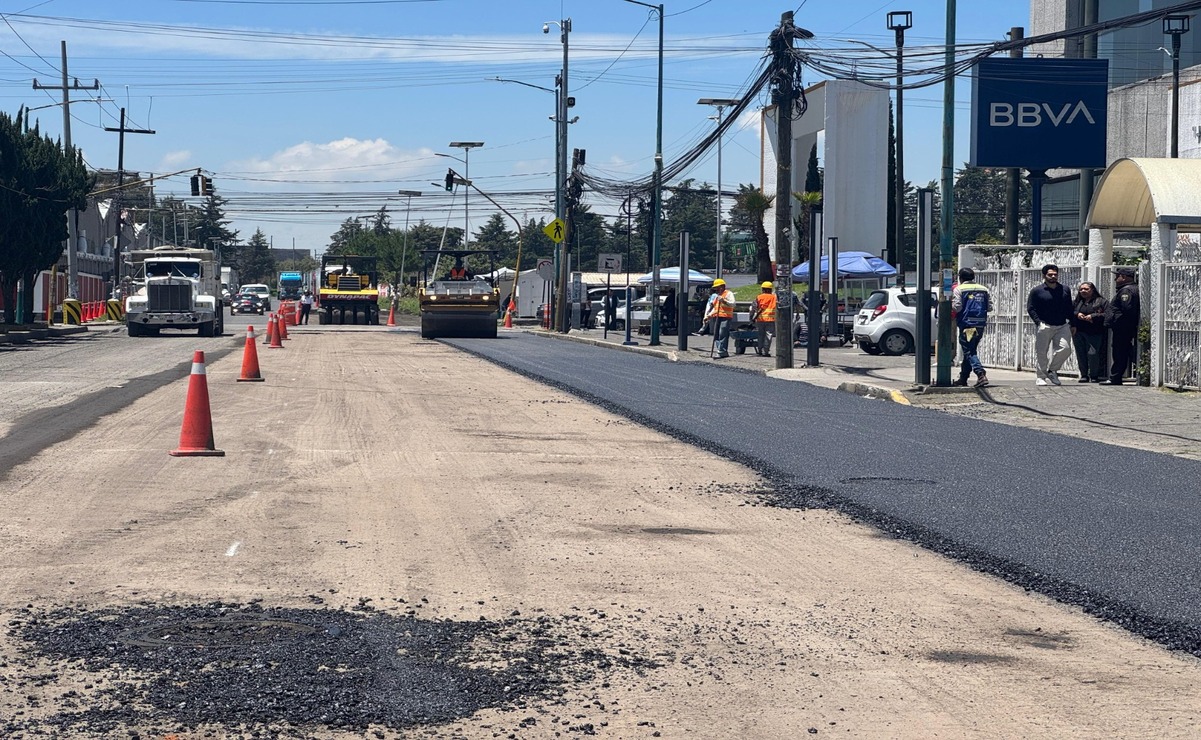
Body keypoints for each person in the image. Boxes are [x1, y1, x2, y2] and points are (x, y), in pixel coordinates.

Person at [1026, 263, 1074, 386]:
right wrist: (1038, 322)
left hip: (1062, 325)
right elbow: (1031, 308)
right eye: (1050, 275)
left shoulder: (1065, 289)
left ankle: (1052, 371)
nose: (1053, 277)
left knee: (1066, 349)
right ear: (1044, 276)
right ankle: (1041, 376)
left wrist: (1072, 323)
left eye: (1055, 274)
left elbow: (1069, 307)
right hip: (1045, 325)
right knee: (1042, 352)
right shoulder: (1037, 291)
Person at [950, 268, 992, 388]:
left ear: (960, 278)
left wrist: (948, 306)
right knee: (970, 350)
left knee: (969, 351)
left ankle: (980, 374)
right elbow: (990, 307)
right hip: (980, 324)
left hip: (967, 325)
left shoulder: (959, 289)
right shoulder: (983, 289)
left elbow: (957, 307)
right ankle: (963, 378)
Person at [1103, 266, 1141, 386]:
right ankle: (1116, 376)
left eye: (1117, 276)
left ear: (1124, 277)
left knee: (1120, 352)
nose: (1115, 279)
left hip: (1123, 327)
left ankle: (1115, 377)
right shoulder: (1129, 289)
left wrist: (1118, 320)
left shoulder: (1126, 291)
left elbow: (1127, 309)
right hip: (1124, 327)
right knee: (1122, 351)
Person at [1070, 282, 1108, 383]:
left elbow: (1108, 314)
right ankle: (1084, 375)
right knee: (1081, 353)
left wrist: (1093, 316)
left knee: (1093, 353)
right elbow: (1069, 312)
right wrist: (1077, 314)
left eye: (1086, 289)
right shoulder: (1077, 302)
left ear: (1092, 290)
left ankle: (1094, 375)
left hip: (1094, 332)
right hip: (1079, 331)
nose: (1083, 291)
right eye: (1081, 289)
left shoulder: (1101, 301)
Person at [704, 278, 736, 358]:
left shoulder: (728, 294)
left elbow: (733, 304)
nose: (717, 289)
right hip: (717, 317)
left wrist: (724, 301)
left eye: (718, 287)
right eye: (716, 288)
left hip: (725, 317)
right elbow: (715, 308)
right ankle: (720, 350)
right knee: (716, 335)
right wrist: (708, 316)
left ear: (723, 286)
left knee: (723, 334)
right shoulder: (717, 296)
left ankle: (722, 351)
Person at [750, 281, 777, 356]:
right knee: (769, 335)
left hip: (760, 319)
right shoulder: (774, 298)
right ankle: (766, 351)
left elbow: (753, 308)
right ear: (770, 289)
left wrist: (751, 319)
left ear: (763, 289)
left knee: (760, 335)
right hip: (771, 319)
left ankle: (760, 350)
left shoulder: (759, 297)